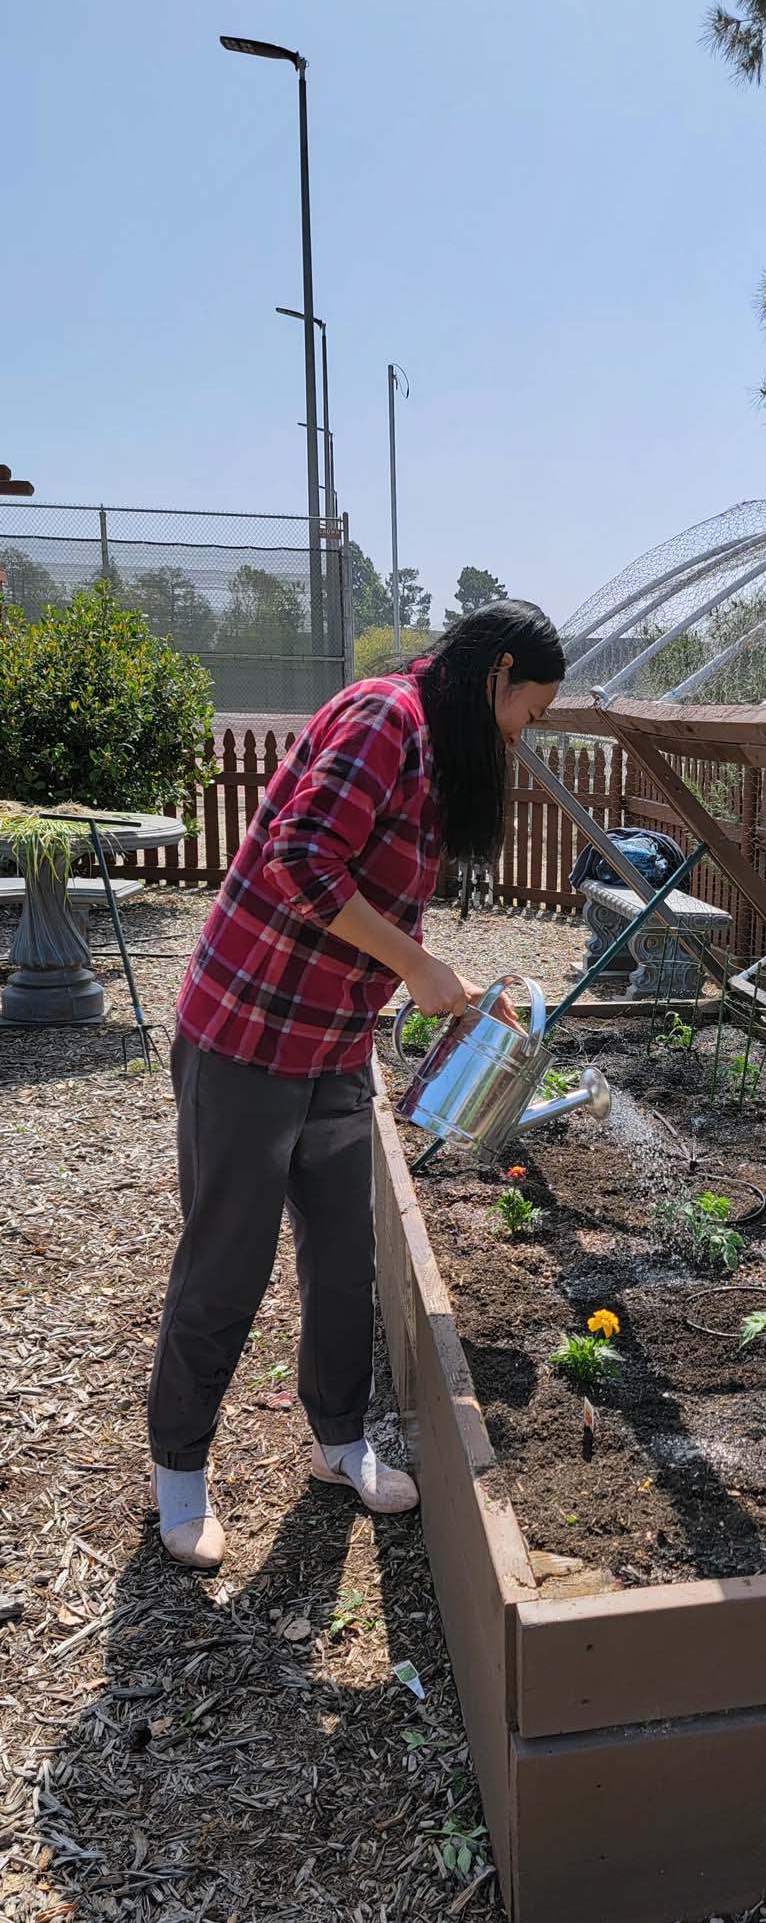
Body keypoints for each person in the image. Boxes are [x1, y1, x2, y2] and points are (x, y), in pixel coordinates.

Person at [147, 600, 564, 1569]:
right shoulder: (387, 719)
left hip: (333, 1040)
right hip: (248, 1032)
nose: (526, 731)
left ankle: (339, 1440)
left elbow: (371, 902)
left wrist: (437, 981)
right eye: (531, 709)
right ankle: (180, 1472)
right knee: (227, 1260)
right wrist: (414, 970)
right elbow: (300, 859)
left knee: (344, 1258)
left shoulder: (431, 742)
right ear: (499, 672)